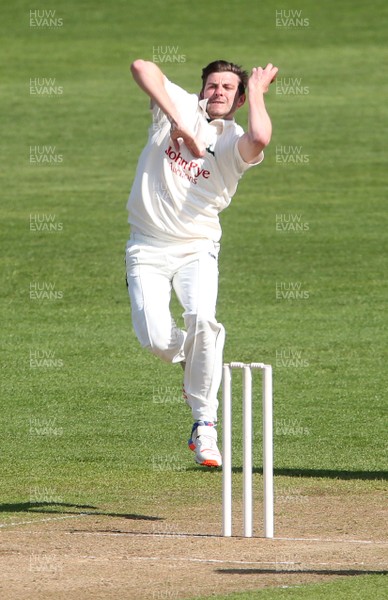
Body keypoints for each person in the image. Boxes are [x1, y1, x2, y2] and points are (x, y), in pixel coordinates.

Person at [125, 58, 278, 467]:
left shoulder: (234, 139)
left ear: (239, 98)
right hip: (147, 247)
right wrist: (176, 122)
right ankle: (194, 364)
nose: (218, 93)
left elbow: (261, 138)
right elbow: (142, 67)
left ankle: (204, 424)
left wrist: (260, 92)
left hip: (197, 247)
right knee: (156, 339)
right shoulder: (179, 105)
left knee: (204, 322)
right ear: (202, 88)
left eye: (228, 88)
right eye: (212, 85)